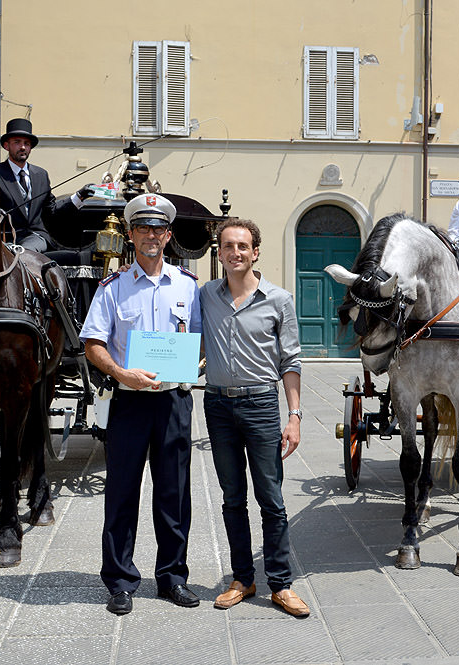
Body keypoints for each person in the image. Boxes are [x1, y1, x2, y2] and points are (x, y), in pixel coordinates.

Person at [79, 193, 202, 615]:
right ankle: (120, 581)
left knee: (174, 494)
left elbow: (199, 339)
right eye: (142, 228)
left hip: (172, 403)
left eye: (158, 229)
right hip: (129, 403)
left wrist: (194, 363)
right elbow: (93, 342)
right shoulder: (112, 289)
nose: (151, 235)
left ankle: (172, 578)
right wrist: (120, 373)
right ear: (130, 235)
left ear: (168, 235)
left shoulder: (188, 286)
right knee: (121, 493)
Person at [200, 219, 309, 618]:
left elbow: (291, 361)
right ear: (220, 253)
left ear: (255, 252)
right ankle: (243, 579)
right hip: (218, 407)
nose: (235, 252)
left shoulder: (279, 299)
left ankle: (280, 583)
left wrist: (294, 415)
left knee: (271, 498)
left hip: (262, 406)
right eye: (228, 246)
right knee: (232, 498)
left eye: (243, 246)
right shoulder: (205, 295)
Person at [0, 118, 91, 252]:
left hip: (36, 237)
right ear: (6, 146)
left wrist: (79, 196)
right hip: (7, 240)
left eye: (27, 143)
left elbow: (52, 210)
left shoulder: (41, 175)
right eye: (17, 142)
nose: (23, 147)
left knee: (24, 253)